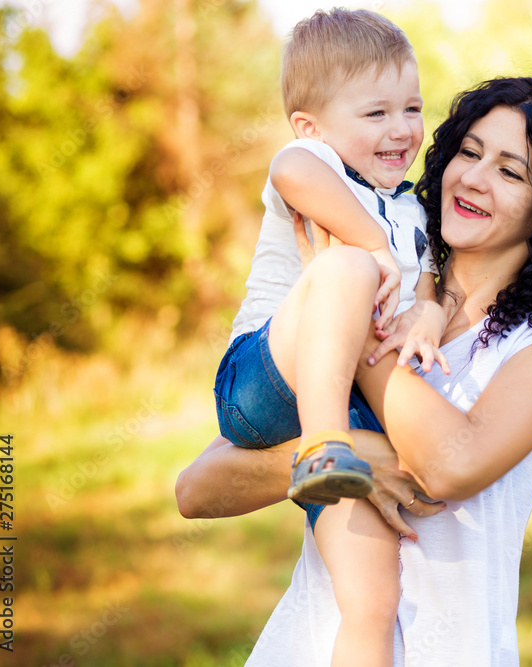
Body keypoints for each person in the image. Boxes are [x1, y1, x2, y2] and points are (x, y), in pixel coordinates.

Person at [177, 77, 532, 665]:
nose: (473, 178)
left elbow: (452, 466)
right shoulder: (391, 279)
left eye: (510, 171)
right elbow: (197, 489)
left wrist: (352, 321)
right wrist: (356, 459)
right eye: (469, 152)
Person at [211, 9, 451, 666]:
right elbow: (291, 169)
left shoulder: (411, 209)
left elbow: (432, 281)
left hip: (345, 402)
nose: (401, 128)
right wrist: (369, 244)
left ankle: (331, 454)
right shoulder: (320, 168)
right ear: (313, 125)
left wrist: (426, 310)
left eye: (411, 107)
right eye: (375, 113)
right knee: (342, 263)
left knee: (372, 598)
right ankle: (321, 449)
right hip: (260, 378)